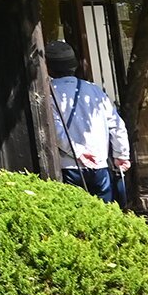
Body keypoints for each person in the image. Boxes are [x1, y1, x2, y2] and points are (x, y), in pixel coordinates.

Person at [46, 40, 130, 203]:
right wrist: (121, 155)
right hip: (99, 164)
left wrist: (78, 153)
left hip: (69, 166)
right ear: (74, 65)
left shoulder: (49, 92)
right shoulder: (94, 90)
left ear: (48, 67)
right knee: (104, 214)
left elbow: (55, 130)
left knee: (77, 215)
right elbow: (116, 125)